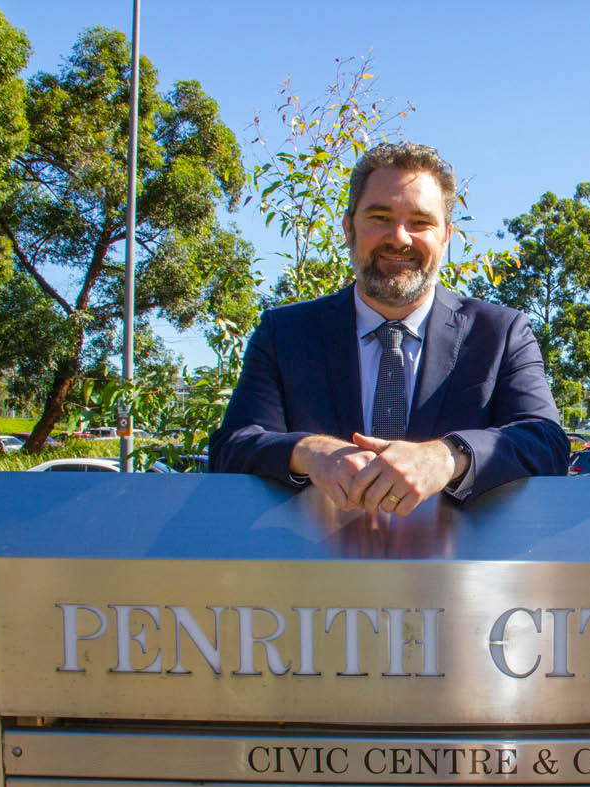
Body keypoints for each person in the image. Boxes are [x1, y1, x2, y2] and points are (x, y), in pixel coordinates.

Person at [209, 142, 568, 514]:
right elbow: (233, 446)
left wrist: (447, 457)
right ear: (348, 228)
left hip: (452, 568)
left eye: (420, 222)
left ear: (446, 236)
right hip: (314, 566)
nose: (399, 238)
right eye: (380, 217)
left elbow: (545, 442)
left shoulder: (501, 333)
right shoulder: (283, 333)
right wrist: (310, 452)